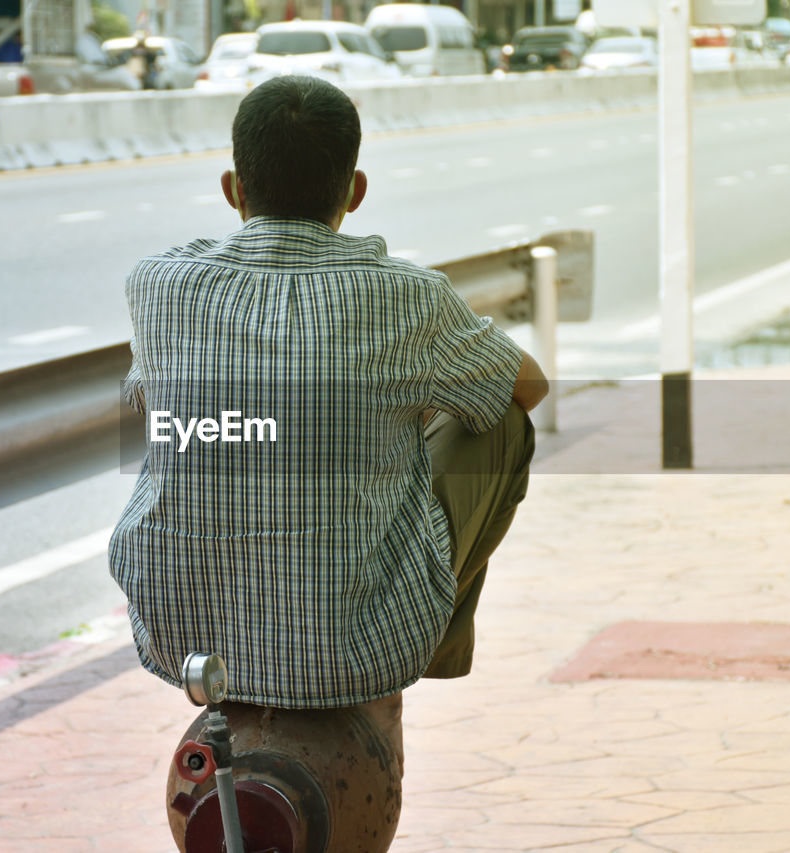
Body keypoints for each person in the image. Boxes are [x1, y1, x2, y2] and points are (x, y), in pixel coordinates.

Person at [109, 74, 546, 778]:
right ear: (356, 190)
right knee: (499, 424)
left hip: (178, 636)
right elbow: (528, 387)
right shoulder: (408, 295)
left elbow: (147, 405)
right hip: (363, 649)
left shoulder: (157, 283)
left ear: (234, 190)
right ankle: (429, 638)